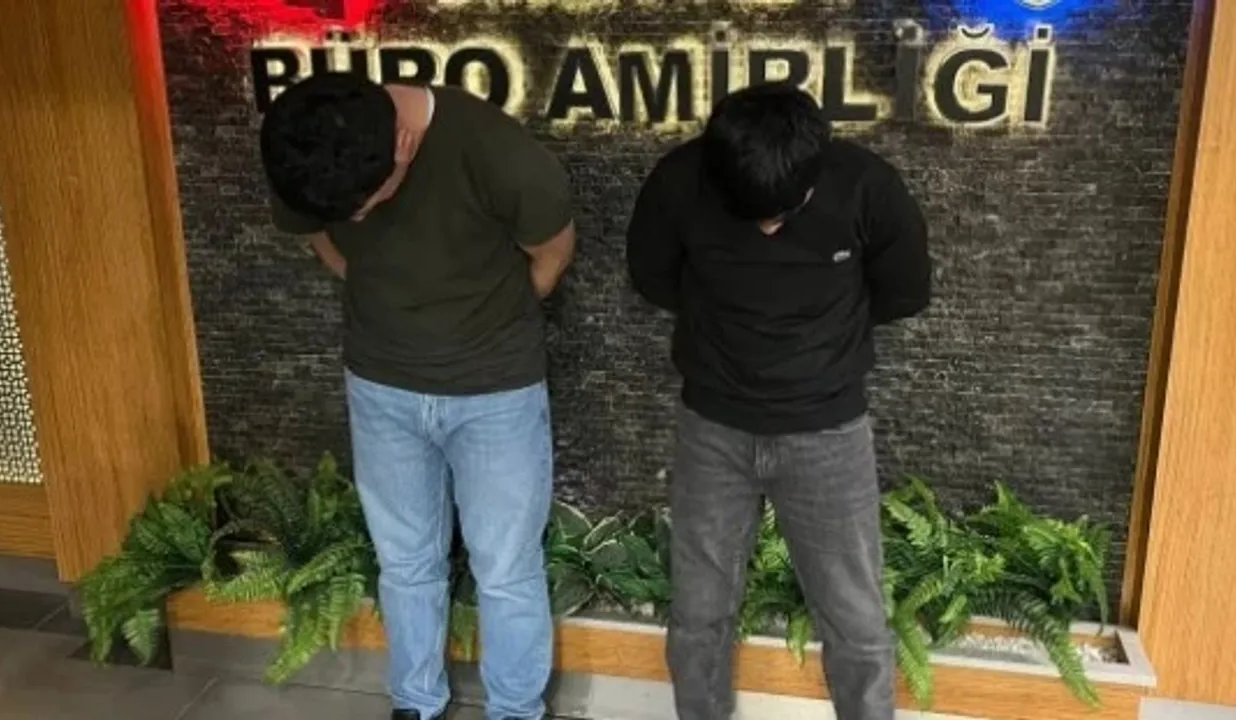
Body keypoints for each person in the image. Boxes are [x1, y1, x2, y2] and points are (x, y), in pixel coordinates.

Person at [260, 72, 576, 720]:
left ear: (402, 144)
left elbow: (552, 249)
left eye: (365, 204)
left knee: (505, 567)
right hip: (380, 385)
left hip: (495, 390)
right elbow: (319, 235)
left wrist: (490, 319)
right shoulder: (308, 147)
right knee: (403, 561)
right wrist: (376, 287)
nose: (356, 219)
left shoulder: (497, 153)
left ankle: (517, 710)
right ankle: (415, 702)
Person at [626, 82, 932, 720]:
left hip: (829, 432)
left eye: (784, 213)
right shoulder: (679, 182)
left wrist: (822, 341)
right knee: (699, 612)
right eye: (752, 214)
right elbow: (653, 278)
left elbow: (904, 291)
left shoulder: (868, 187)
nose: (768, 227)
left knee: (855, 617)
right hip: (712, 426)